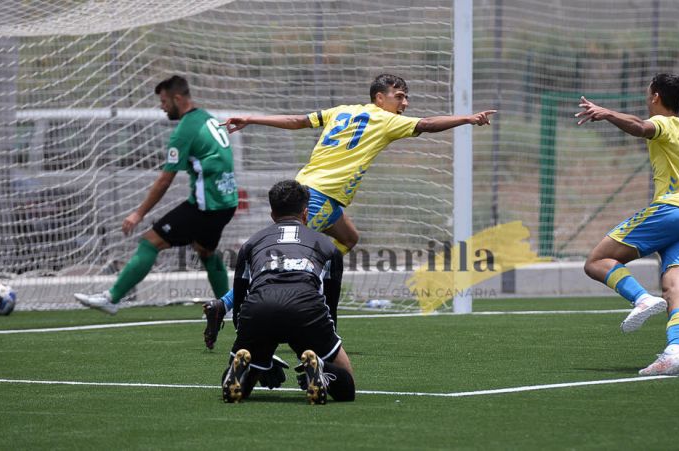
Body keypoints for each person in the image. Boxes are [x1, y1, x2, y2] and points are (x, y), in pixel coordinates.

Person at [208, 74, 496, 349]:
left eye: (407, 97)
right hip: (318, 197)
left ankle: (314, 278)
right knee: (286, 256)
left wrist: (251, 118)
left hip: (316, 192)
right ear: (379, 98)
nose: (405, 103)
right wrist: (467, 119)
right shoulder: (384, 119)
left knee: (348, 239)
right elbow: (428, 124)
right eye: (399, 97)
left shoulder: (342, 111)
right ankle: (226, 304)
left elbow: (297, 121)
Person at [74, 75, 238, 346]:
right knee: (205, 251)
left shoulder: (184, 129)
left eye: (163, 101)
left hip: (206, 205)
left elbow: (165, 178)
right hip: (224, 202)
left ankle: (112, 298)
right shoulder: (208, 118)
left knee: (150, 241)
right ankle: (231, 309)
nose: (161, 107)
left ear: (177, 98)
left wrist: (138, 213)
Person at [576, 73, 679, 376]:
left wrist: (608, 113)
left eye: (647, 94)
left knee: (597, 261)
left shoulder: (664, 125)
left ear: (655, 97)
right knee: (677, 291)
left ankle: (640, 298)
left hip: (671, 212)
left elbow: (640, 127)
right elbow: (645, 124)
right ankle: (675, 352)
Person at [221, 180, 355, 404]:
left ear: (272, 214)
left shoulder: (251, 243)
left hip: (259, 309)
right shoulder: (327, 246)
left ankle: (244, 372)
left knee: (246, 378)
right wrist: (323, 349)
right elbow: (330, 308)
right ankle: (323, 372)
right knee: (347, 388)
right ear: (305, 213)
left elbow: (239, 305)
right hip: (306, 308)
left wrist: (259, 356)